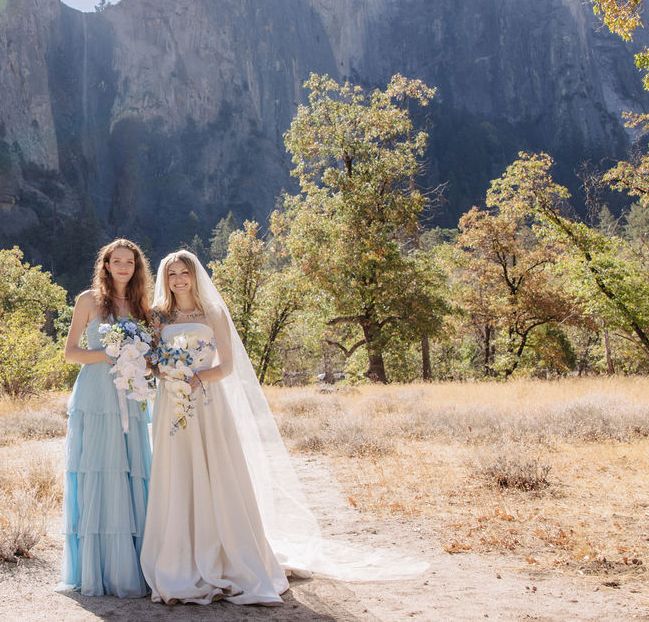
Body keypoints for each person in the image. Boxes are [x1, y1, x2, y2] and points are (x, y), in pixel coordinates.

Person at [141, 251, 428, 606]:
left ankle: (224, 554)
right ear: (165, 279)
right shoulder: (157, 316)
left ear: (195, 276)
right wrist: (166, 372)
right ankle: (179, 556)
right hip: (172, 402)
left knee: (216, 471)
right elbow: (151, 362)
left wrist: (196, 376)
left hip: (207, 402)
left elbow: (227, 366)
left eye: (185, 273)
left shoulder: (213, 313)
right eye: (172, 274)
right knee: (177, 473)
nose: (179, 279)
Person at [56, 239, 154, 597]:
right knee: (99, 469)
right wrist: (110, 353)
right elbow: (71, 353)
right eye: (117, 261)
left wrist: (136, 357)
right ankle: (97, 569)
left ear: (136, 267)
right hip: (95, 397)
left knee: (131, 470)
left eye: (130, 262)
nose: (124, 267)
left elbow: (150, 354)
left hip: (130, 397)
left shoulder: (142, 305)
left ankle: (134, 565)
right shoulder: (88, 300)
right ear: (107, 264)